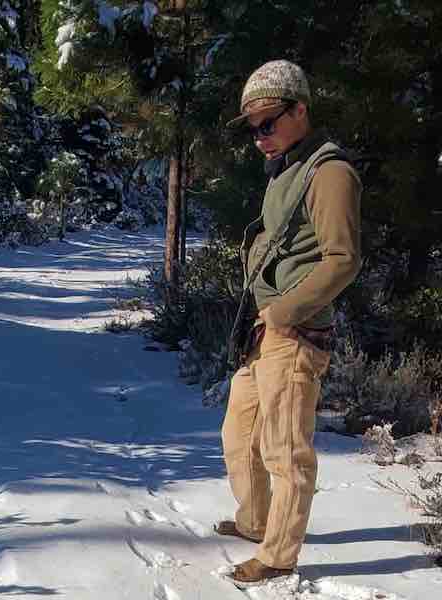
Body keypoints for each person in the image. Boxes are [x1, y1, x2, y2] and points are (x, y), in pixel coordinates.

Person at [217, 60, 362, 586]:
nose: (259, 137)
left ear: (300, 109)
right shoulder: (285, 169)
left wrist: (283, 312)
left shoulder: (329, 172)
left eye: (268, 122)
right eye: (251, 127)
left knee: (285, 449)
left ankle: (278, 554)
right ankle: (256, 521)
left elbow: (343, 259)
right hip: (264, 331)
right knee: (240, 434)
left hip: (295, 332)